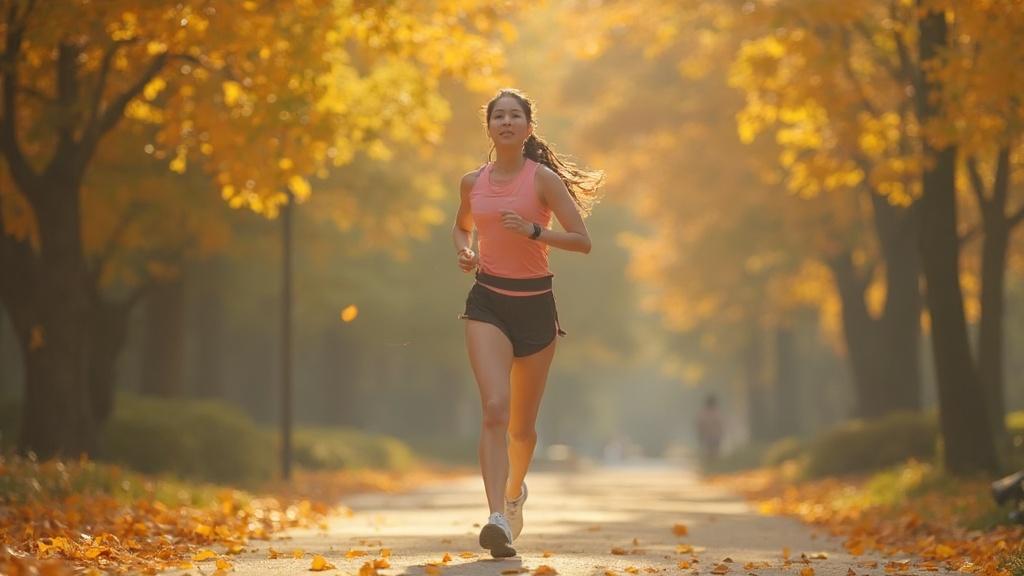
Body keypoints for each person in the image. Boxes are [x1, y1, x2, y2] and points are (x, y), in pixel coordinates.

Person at [451, 88, 603, 558]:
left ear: (529, 128)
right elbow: (462, 224)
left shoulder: (543, 181)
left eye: (516, 115)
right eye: (499, 116)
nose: (507, 122)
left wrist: (535, 231)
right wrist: (464, 248)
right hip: (489, 303)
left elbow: (582, 240)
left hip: (536, 307)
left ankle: (515, 493)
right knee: (495, 409)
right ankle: (496, 515)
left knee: (522, 428)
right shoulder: (472, 182)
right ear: (490, 127)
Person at [696, 393, 724, 466]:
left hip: (710, 437)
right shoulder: (717, 412)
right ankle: (713, 466)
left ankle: (711, 466)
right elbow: (720, 425)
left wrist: (700, 435)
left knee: (711, 453)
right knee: (713, 453)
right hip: (713, 437)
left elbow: (700, 425)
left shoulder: (703, 413)